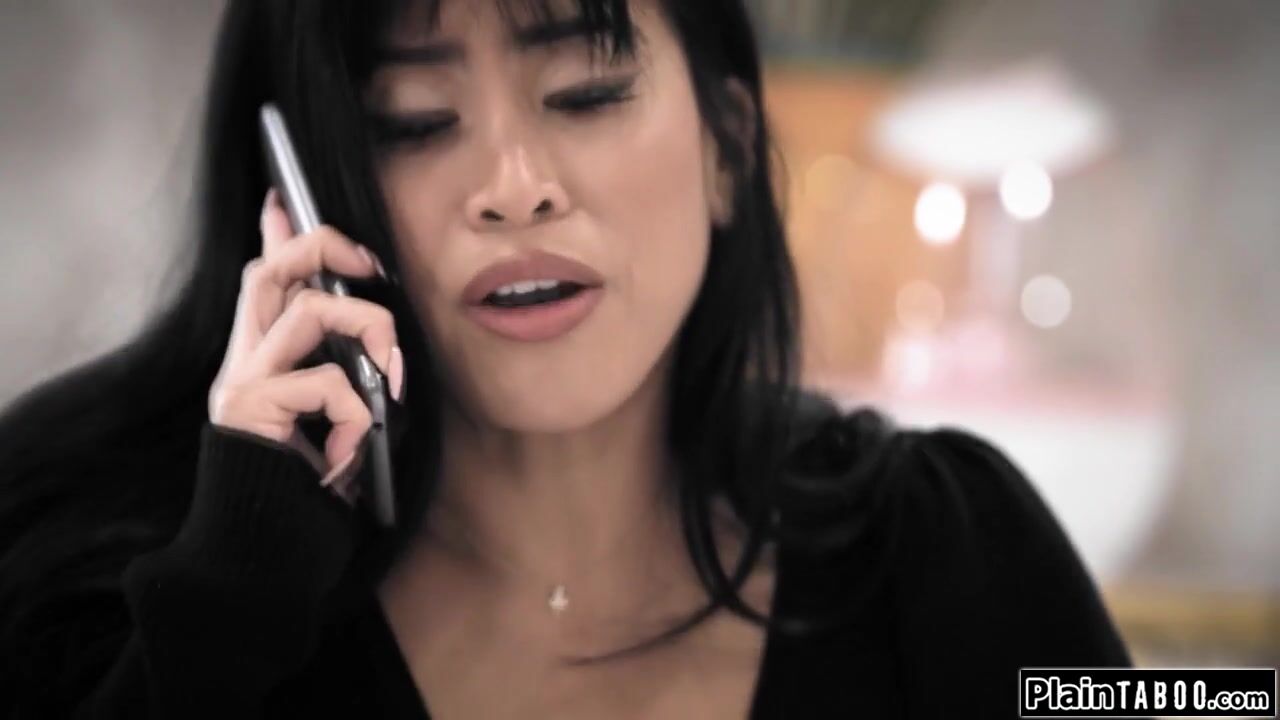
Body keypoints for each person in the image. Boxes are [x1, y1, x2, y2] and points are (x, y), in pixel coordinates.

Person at [0, 0, 1136, 717]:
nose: (515, 187)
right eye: (413, 118)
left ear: (729, 148)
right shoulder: (92, 572)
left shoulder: (950, 550)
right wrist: (222, 605)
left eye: (586, 94)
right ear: (299, 198)